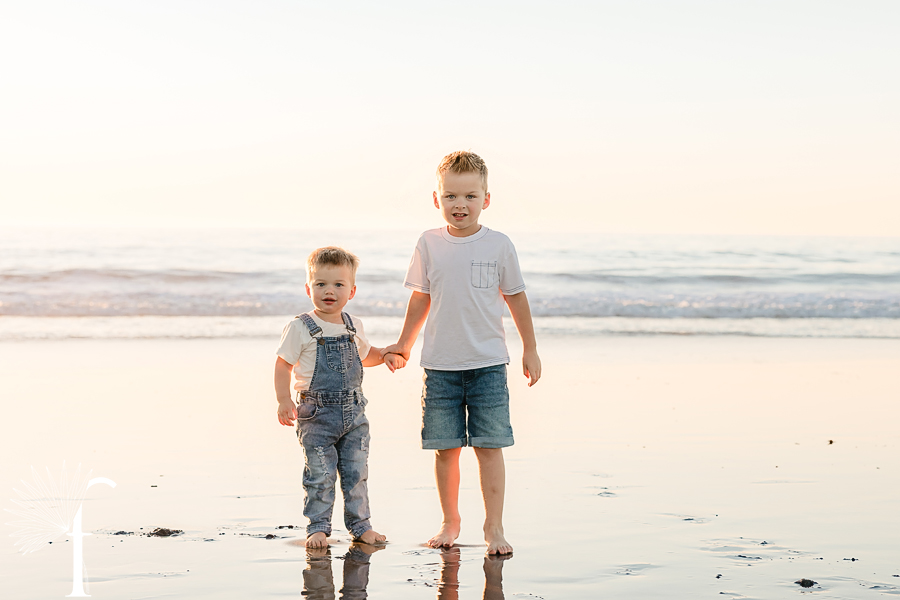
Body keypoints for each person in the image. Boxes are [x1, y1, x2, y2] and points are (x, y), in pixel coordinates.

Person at [382, 151, 541, 555]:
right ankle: (450, 521)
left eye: (470, 196)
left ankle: (494, 528)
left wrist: (531, 349)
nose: (460, 205)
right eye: (451, 196)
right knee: (445, 448)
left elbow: (516, 299)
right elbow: (420, 299)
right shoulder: (429, 243)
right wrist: (404, 344)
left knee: (490, 447)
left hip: (488, 363)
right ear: (437, 199)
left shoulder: (500, 245)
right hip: (440, 366)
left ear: (486, 199)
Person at [275, 246, 405, 548]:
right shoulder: (300, 327)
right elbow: (283, 364)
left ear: (352, 290)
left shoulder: (352, 325)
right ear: (309, 288)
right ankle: (318, 527)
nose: (328, 291)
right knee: (320, 474)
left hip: (355, 412)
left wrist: (385, 355)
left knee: (356, 473)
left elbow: (365, 355)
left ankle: (361, 526)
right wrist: (283, 400)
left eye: (338, 284)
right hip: (316, 414)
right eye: (320, 284)